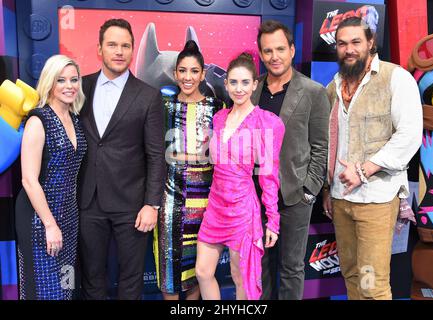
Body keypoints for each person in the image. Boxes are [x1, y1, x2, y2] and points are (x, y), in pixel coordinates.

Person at [322, 16, 422, 300]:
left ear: (370, 43)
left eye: (355, 42)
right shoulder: (334, 86)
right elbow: (330, 142)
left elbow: (409, 135)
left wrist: (365, 169)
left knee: (371, 284)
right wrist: (329, 188)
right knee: (352, 274)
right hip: (341, 200)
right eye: (342, 44)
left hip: (375, 199)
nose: (348, 49)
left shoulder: (394, 77)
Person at [78, 18, 166, 300]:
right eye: (112, 45)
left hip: (132, 205)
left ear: (132, 50)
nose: (119, 51)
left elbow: (156, 155)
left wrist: (151, 204)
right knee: (92, 277)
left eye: (126, 45)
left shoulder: (148, 96)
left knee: (131, 279)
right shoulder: (79, 88)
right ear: (99, 49)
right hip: (87, 200)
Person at [195, 53, 285, 300]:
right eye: (233, 82)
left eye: (245, 82)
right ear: (226, 85)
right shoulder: (219, 118)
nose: (239, 88)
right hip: (215, 207)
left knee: (239, 277)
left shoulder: (266, 123)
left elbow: (269, 176)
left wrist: (273, 222)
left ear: (255, 84)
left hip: (242, 210)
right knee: (203, 271)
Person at [251, 20, 330, 300]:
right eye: (268, 50)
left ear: (292, 50)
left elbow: (321, 147)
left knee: (291, 267)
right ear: (260, 54)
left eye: (280, 49)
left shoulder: (313, 92)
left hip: (294, 195)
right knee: (260, 265)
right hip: (256, 196)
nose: (275, 56)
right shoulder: (252, 89)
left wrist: (309, 191)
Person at [153, 40, 223, 300]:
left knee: (197, 270)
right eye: (182, 71)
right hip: (169, 198)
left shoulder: (218, 109)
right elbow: (155, 152)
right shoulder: (162, 107)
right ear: (175, 74)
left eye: (194, 71)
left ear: (203, 74)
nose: (188, 77)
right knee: (169, 269)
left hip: (206, 201)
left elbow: (219, 157)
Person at [15, 54, 87, 300]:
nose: (69, 86)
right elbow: (28, 180)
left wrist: (61, 222)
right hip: (40, 220)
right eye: (61, 80)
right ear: (49, 83)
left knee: (66, 287)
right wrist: (49, 224)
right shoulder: (39, 119)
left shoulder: (75, 119)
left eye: (74, 80)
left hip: (68, 217)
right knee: (45, 290)